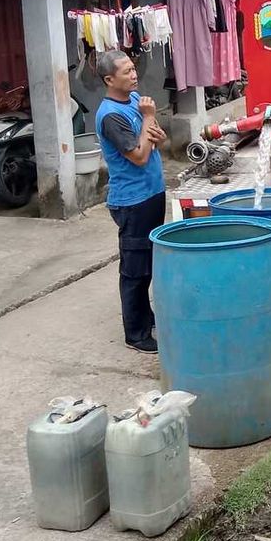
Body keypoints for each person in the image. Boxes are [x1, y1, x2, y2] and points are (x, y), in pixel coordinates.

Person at [95, 50, 168, 354]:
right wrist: (149, 117)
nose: (134, 75)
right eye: (126, 72)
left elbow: (154, 141)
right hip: (133, 200)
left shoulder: (134, 103)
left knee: (148, 263)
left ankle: (145, 316)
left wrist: (152, 126)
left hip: (151, 193)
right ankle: (135, 334)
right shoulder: (112, 115)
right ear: (109, 79)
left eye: (133, 69)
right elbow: (138, 156)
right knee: (135, 268)